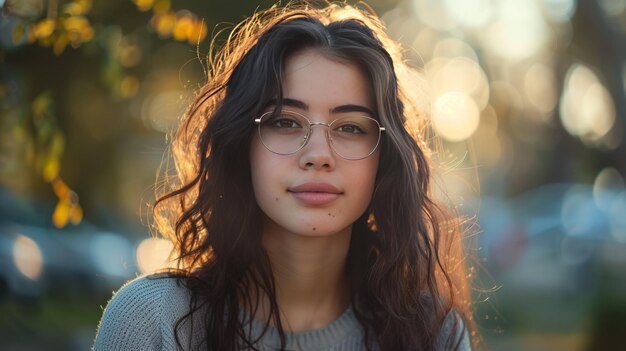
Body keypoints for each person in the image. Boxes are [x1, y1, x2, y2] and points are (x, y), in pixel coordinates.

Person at [93, 1, 477, 350]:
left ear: (384, 158)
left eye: (350, 127)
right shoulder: (154, 321)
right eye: (285, 121)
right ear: (243, 143)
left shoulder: (433, 334)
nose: (318, 156)